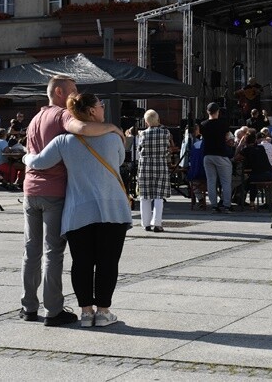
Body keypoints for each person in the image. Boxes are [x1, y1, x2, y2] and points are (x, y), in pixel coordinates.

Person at [21, 75, 122, 327]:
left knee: (31, 251)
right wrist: (112, 128)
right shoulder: (62, 115)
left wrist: (26, 160)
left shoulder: (35, 118)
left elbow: (35, 156)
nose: (75, 95)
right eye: (72, 90)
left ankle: (28, 306)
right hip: (55, 192)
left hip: (30, 191)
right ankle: (53, 310)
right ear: (58, 92)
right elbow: (84, 129)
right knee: (53, 252)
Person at [134, 109, 173, 232]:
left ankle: (146, 223)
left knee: (145, 195)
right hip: (160, 164)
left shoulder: (143, 134)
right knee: (158, 196)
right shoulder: (165, 133)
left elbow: (139, 151)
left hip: (145, 166)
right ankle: (157, 223)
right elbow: (167, 149)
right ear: (158, 119)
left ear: (146, 122)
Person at [200, 101, 233, 213]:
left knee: (211, 181)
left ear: (207, 112)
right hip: (221, 154)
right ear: (218, 111)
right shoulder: (223, 124)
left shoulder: (203, 125)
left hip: (207, 155)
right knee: (226, 181)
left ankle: (214, 205)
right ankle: (227, 205)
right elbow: (228, 138)